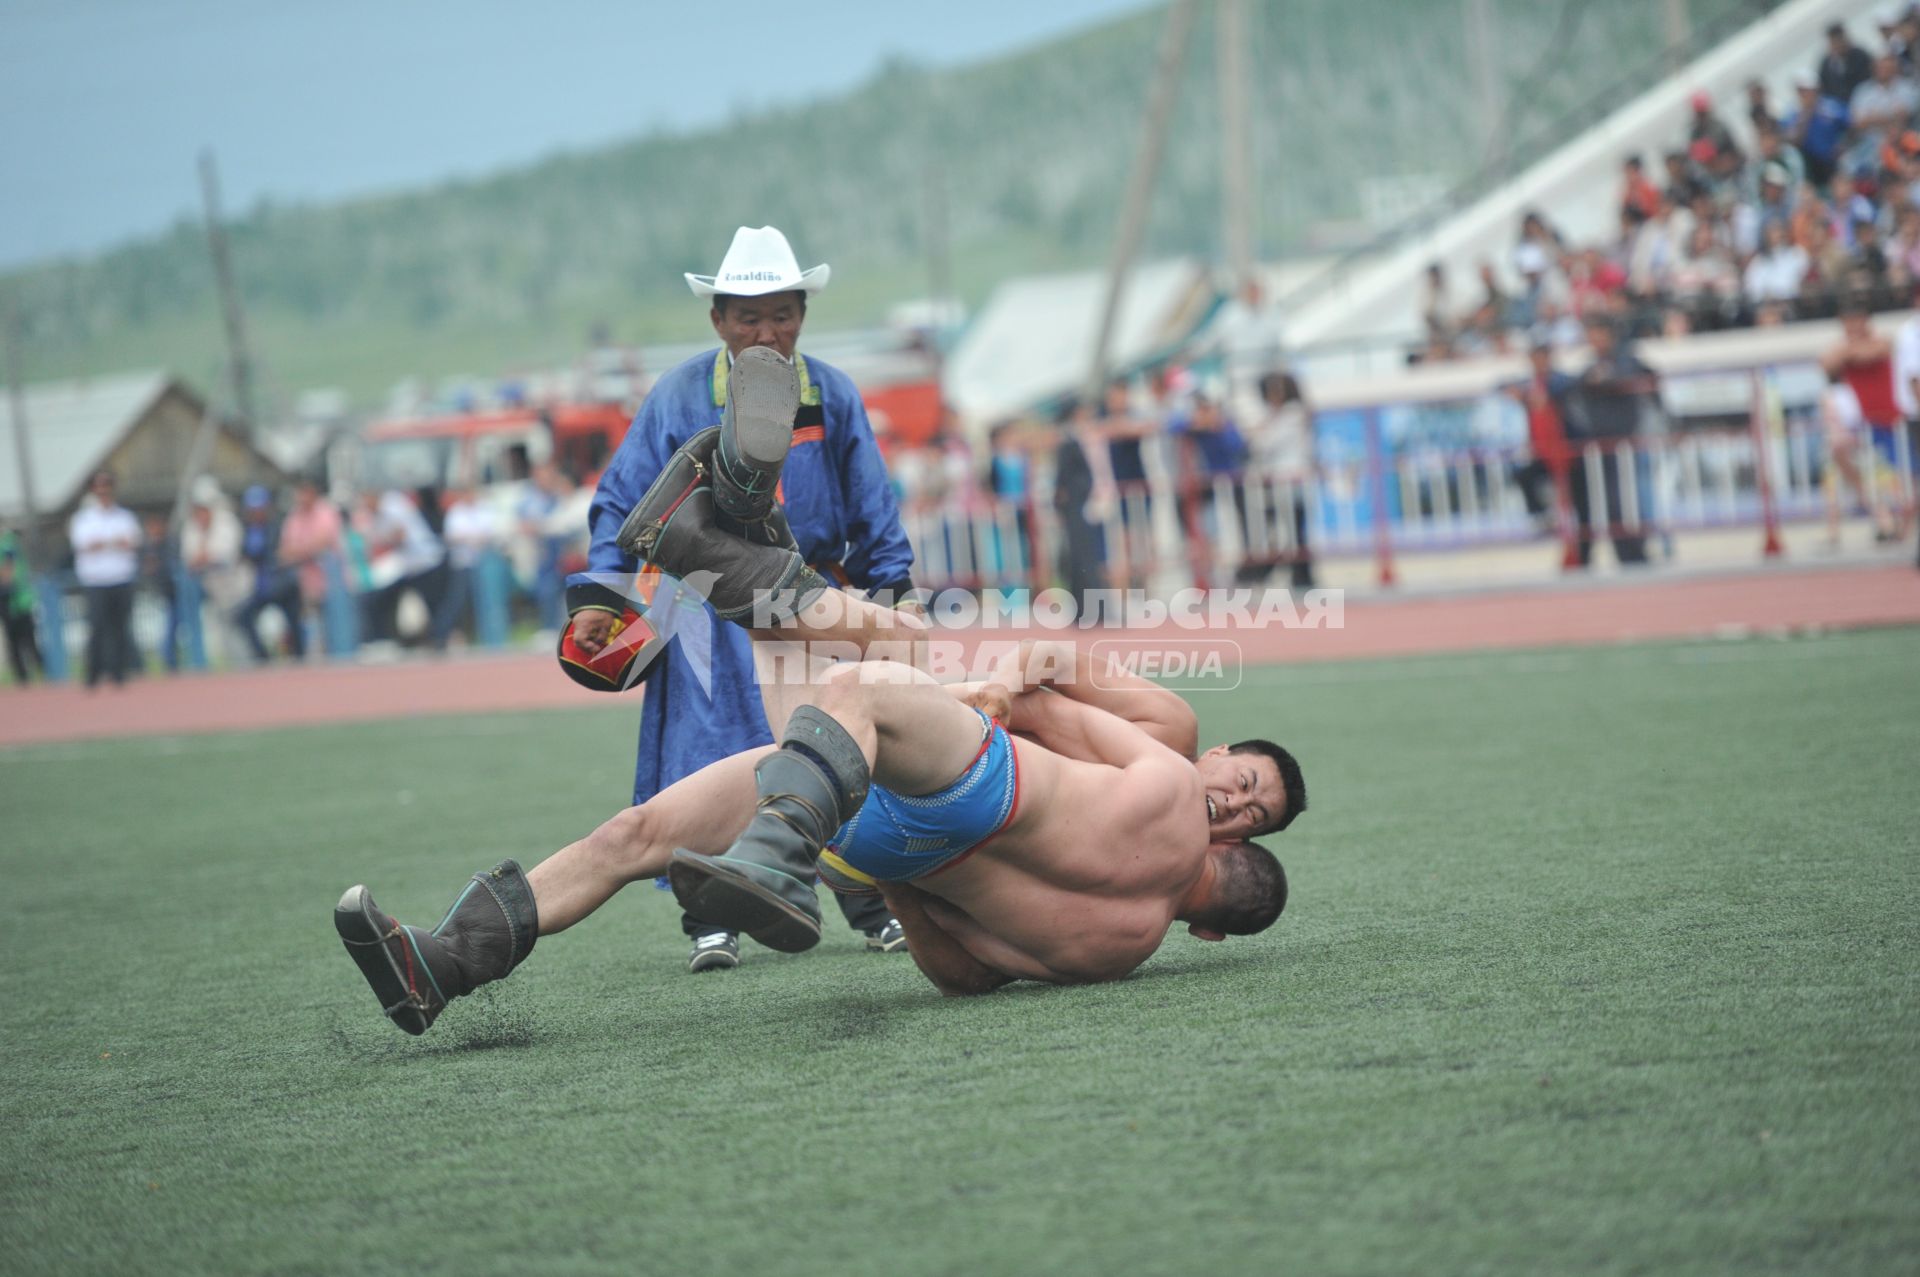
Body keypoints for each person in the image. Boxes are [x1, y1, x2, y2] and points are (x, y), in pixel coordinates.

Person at [333, 627, 1305, 1032]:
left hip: (972, 781)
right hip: (901, 846)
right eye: (1247, 783)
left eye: (1250, 813)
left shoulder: (1173, 774)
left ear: (1231, 850)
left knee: (848, 683)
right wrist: (907, 885)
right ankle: (444, 962)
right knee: (640, 831)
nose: (1235, 801)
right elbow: (966, 973)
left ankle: (777, 855)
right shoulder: (1119, 941)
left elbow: (1041, 704)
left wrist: (977, 696)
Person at [563, 225, 918, 972]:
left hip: (813, 601)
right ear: (718, 318)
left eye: (783, 314)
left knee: (839, 744)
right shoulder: (678, 395)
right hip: (703, 615)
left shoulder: (833, 394)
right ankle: (709, 921)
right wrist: (602, 594)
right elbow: (622, 499)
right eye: (750, 316)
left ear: (803, 315)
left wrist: (892, 597)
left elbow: (873, 511)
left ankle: (875, 903)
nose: (768, 331)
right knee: (704, 758)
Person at [1563, 320, 1656, 567]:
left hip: (1627, 443)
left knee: (1633, 499)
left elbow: (1644, 376)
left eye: (1597, 334)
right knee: (1612, 503)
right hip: (1603, 444)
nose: (1594, 341)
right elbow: (1573, 384)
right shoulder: (1591, 367)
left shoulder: (1627, 360)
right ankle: (1625, 553)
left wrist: (1606, 379)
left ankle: (1638, 551)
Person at [1829, 298, 1913, 540]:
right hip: (1868, 426)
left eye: (1857, 323)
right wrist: (1850, 351)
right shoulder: (1841, 349)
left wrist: (1851, 352)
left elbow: (1876, 351)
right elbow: (1827, 361)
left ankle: (1901, 525)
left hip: (1896, 421)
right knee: (1840, 451)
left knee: (1909, 478)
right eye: (1848, 324)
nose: (1852, 328)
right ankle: (1883, 516)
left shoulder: (1884, 341)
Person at [68, 470, 141, 688]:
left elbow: (132, 543)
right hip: (95, 581)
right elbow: (85, 546)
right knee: (97, 627)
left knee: (120, 627)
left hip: (121, 578)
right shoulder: (84, 519)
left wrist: (106, 544)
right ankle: (93, 674)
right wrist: (113, 543)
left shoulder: (125, 517)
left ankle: (119, 673)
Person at [234, 486, 307, 662]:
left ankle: (300, 658)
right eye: (253, 509)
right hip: (263, 587)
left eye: (260, 508)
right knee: (243, 617)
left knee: (294, 620)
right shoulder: (248, 529)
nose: (257, 512)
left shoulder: (279, 524)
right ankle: (262, 657)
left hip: (284, 584)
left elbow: (282, 552)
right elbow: (246, 554)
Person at [434, 484, 499, 649]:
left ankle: (491, 638)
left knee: (485, 602)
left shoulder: (485, 509)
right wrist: (473, 538)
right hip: (463, 564)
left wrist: (472, 538)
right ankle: (442, 636)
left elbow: (491, 532)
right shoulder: (456, 512)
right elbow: (453, 536)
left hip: (483, 564)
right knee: (456, 601)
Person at [0, 523, 42, 685]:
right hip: (12, 597)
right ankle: (23, 677)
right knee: (16, 640)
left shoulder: (7, 543)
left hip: (15, 597)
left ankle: (37, 674)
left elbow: (8, 571)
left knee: (25, 638)